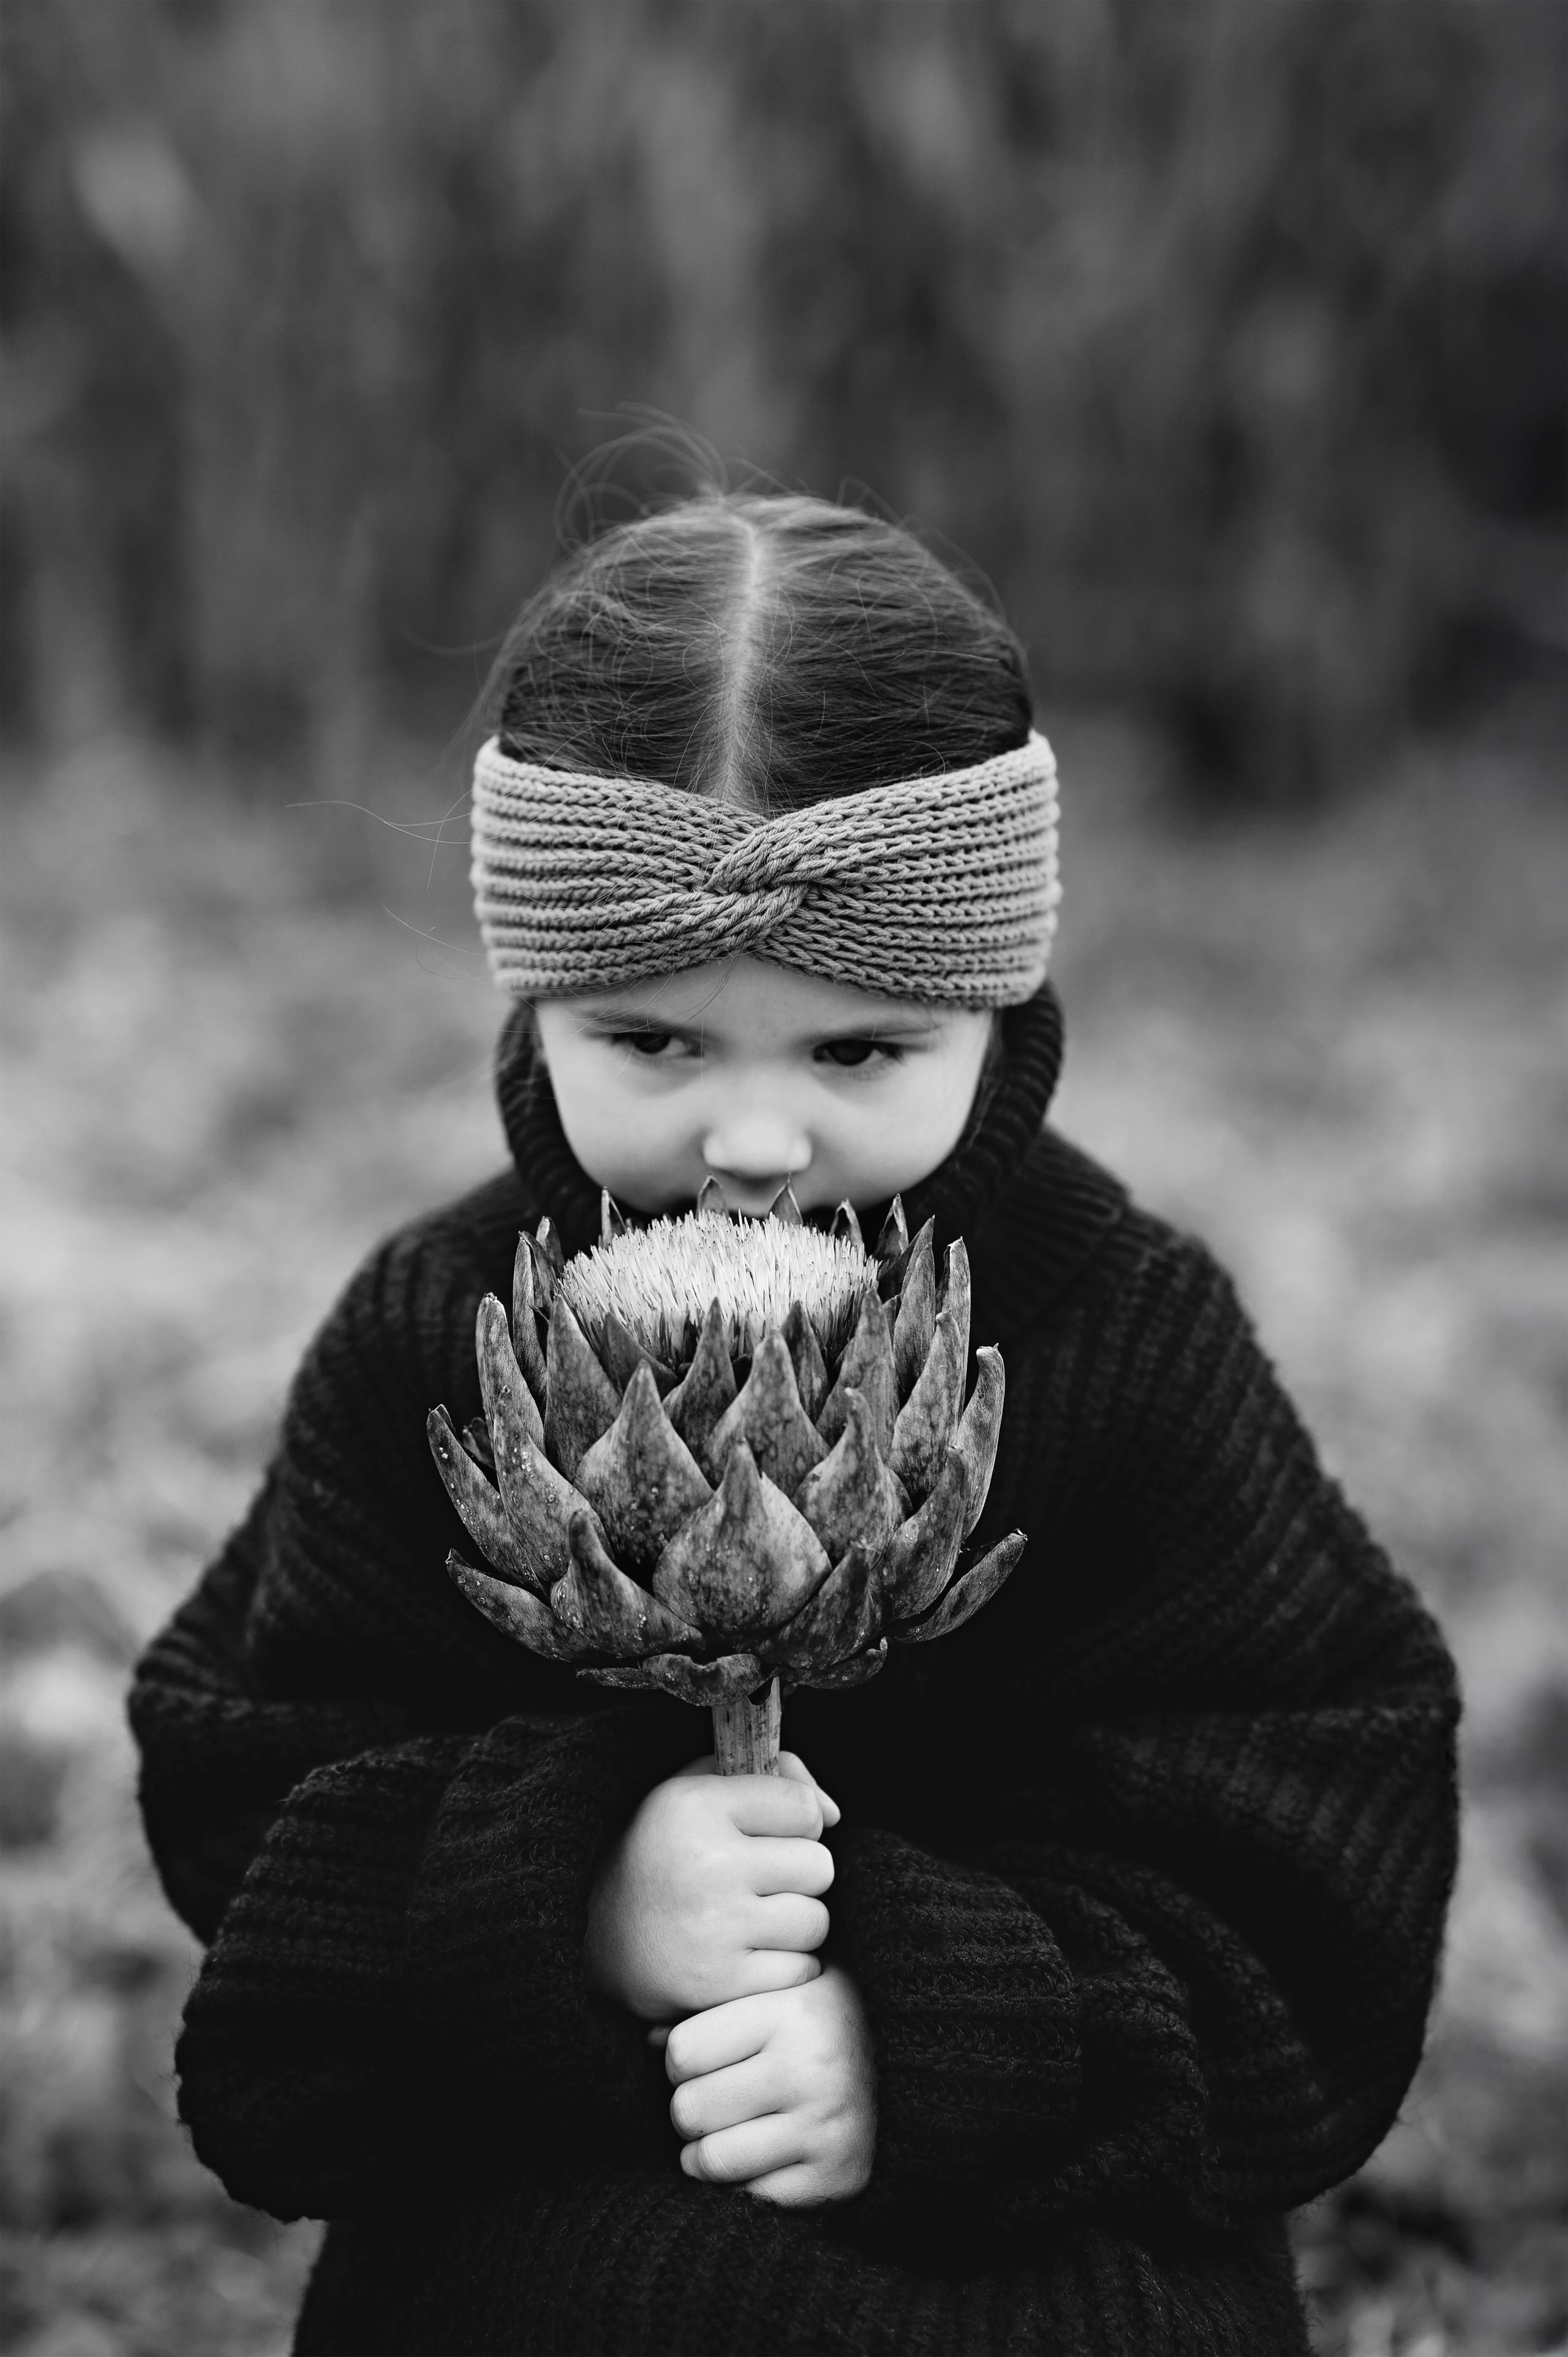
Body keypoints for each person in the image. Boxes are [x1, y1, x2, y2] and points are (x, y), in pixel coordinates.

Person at [130, 491, 1459, 2355]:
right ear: (539, 998)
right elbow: (245, 1768)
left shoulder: (1125, 1334)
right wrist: (575, 1900)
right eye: (655, 1044)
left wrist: (930, 2033)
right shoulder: (440, 1329)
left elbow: (1317, 1847)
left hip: (1042, 2208)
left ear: (994, 1000)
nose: (753, 1144)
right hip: (560, 2188)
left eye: (857, 1052)